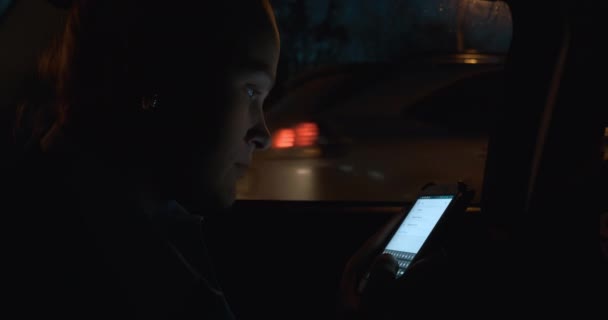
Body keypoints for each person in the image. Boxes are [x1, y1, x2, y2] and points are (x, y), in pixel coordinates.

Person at [5, 1, 406, 319]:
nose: (263, 135)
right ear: (158, 81)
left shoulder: (133, 222)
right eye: (251, 91)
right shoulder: (62, 263)